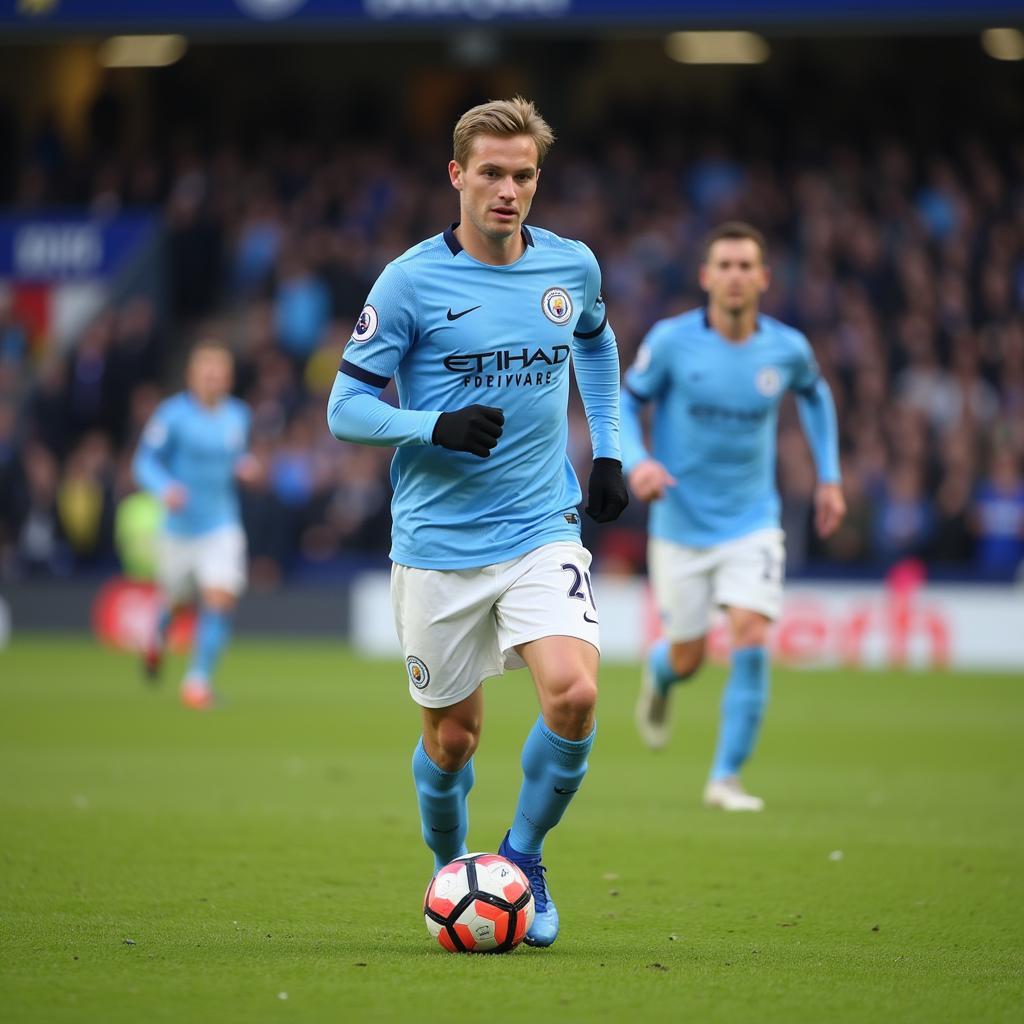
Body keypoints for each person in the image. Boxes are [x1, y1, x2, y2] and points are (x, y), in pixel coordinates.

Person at [326, 97, 628, 947]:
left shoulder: (571, 268)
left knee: (574, 695)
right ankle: (452, 869)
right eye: (490, 173)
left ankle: (522, 858)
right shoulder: (411, 281)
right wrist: (433, 426)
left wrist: (607, 447)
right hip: (438, 546)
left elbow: (597, 344)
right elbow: (344, 408)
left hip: (540, 524)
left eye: (523, 175)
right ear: (457, 175)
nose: (507, 190)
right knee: (453, 742)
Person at [623, 221, 845, 811]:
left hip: (752, 521)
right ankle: (661, 675)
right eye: (724, 265)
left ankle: (725, 778)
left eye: (747, 265)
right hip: (679, 524)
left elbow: (816, 396)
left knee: (751, 632)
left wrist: (829, 476)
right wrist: (637, 462)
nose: (736, 275)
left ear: (765, 278)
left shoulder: (787, 349)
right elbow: (625, 397)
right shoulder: (671, 342)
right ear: (705, 276)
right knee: (689, 656)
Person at [132, 342, 259, 709]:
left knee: (220, 598)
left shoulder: (239, 415)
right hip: (179, 529)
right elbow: (144, 462)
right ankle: (155, 637)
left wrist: (245, 465)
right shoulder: (171, 416)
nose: (213, 380)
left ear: (229, 378)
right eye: (207, 373)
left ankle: (197, 681)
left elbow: (236, 455)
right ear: (192, 376)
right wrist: (164, 487)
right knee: (176, 602)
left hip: (221, 524)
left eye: (219, 373)